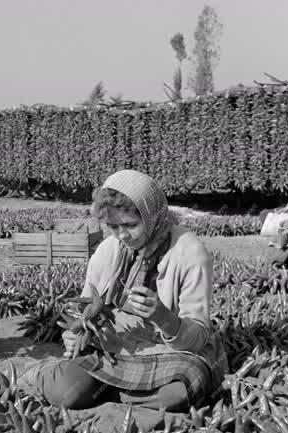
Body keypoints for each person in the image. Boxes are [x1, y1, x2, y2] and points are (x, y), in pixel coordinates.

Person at [32, 170, 228, 412]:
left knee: (182, 390)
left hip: (168, 352)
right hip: (113, 347)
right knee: (65, 392)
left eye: (130, 225)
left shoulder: (190, 252)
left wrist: (163, 317)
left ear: (151, 214)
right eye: (113, 226)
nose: (122, 235)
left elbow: (197, 337)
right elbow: (83, 313)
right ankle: (129, 392)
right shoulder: (108, 250)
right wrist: (74, 334)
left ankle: (110, 390)